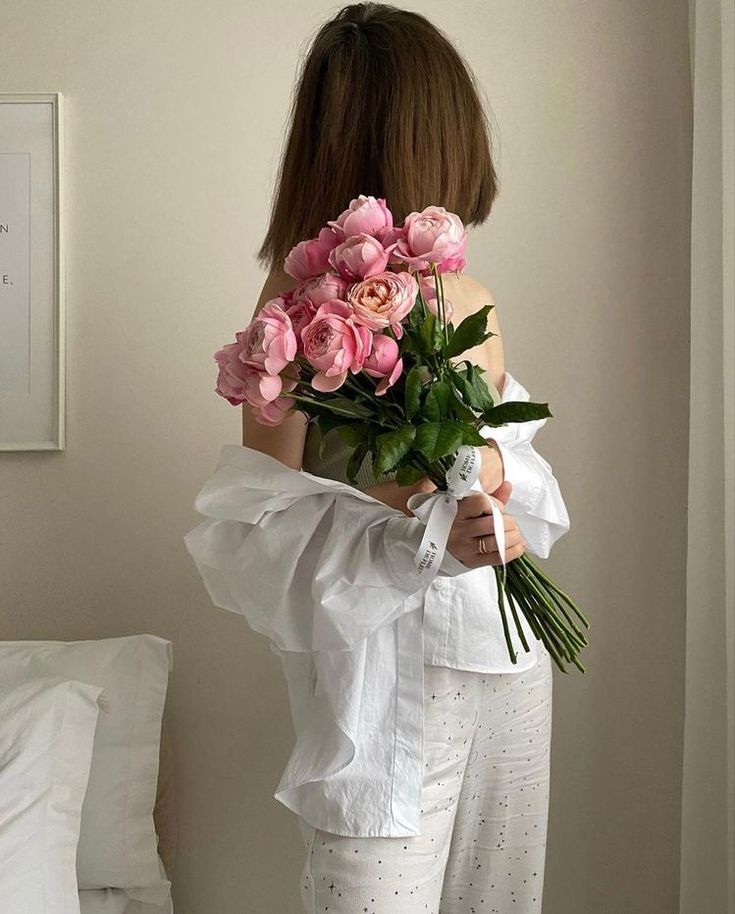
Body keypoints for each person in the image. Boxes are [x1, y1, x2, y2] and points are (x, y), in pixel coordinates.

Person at [194, 3, 571, 912]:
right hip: (380, 691)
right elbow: (261, 519)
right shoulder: (296, 312)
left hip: (505, 661)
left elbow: (497, 468)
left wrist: (484, 488)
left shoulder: (469, 295)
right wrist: (420, 526)